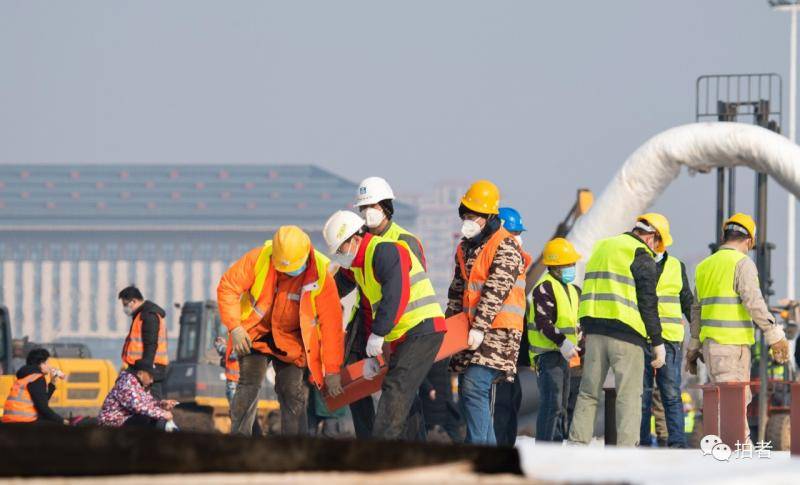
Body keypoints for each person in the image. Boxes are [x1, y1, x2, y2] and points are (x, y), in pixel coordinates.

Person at [323, 210, 445, 440]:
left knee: (395, 389)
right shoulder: (359, 267)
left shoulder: (386, 251)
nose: (339, 255)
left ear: (355, 239)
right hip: (402, 336)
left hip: (422, 328)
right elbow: (369, 308)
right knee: (405, 398)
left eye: (340, 249)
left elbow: (395, 294)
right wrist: (372, 351)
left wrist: (378, 334)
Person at [217, 225, 344, 436]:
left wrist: (332, 370)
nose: (287, 273)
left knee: (291, 392)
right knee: (248, 386)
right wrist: (235, 326)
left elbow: (331, 326)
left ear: (306, 255)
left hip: (292, 341)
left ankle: (295, 449)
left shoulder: (321, 274)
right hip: (256, 335)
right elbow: (228, 287)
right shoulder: (258, 258)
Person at [686, 213, 790, 438]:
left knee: (725, 404)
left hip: (712, 348)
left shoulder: (704, 266)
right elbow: (754, 302)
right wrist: (774, 335)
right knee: (734, 406)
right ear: (750, 240)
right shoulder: (742, 264)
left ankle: (728, 454)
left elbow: (697, 310)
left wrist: (694, 346)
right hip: (732, 347)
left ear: (725, 235)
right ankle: (739, 459)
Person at [568, 214, 668, 447]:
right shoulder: (641, 255)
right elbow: (647, 302)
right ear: (652, 237)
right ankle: (626, 451)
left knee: (588, 392)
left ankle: (576, 445)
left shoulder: (603, 246)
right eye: (658, 244)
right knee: (629, 396)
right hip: (626, 335)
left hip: (594, 332)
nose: (656, 250)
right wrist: (657, 341)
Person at [343, 176, 429, 439]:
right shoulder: (360, 241)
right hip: (366, 324)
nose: (367, 213)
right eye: (363, 208)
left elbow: (410, 289)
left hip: (398, 326)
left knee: (402, 391)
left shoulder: (405, 240)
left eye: (374, 206)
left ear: (387, 207)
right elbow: (345, 279)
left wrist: (388, 333)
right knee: (354, 386)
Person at [447, 181, 527, 445]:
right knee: (471, 389)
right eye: (466, 216)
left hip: (499, 332)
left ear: (488, 217)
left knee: (474, 385)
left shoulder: (505, 245)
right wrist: (449, 331)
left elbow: (496, 290)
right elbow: (457, 292)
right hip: (470, 332)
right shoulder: (465, 247)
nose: (467, 222)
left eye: (473, 217)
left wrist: (480, 327)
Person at [639, 217, 692, 448]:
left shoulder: (676, 266)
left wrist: (699, 335)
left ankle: (677, 443)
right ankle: (640, 441)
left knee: (670, 394)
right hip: (641, 337)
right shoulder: (637, 262)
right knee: (642, 395)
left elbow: (687, 301)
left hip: (669, 340)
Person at [528, 237, 582, 442]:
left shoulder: (571, 290)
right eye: (568, 264)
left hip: (565, 356)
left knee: (562, 405)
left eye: (572, 264)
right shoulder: (545, 287)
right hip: (548, 354)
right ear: (556, 266)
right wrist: (562, 342)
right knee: (552, 403)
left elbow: (576, 324)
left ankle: (557, 444)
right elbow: (543, 321)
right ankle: (545, 446)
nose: (572, 268)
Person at [493, 206, 530, 446]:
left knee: (511, 404)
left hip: (512, 354)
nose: (518, 238)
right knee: (499, 408)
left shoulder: (518, 267)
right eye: (514, 232)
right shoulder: (494, 262)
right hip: (494, 350)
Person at [119, 286, 169, 400]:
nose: (124, 308)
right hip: (141, 367)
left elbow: (151, 344)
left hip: (150, 368)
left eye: (125, 304)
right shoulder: (141, 315)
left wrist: (146, 371)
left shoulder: (149, 316)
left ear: (134, 301)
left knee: (152, 404)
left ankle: (164, 418)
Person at [98, 359, 178, 430]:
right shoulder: (127, 383)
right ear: (140, 373)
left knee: (153, 418)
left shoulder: (138, 383)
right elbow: (138, 406)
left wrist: (161, 404)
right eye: (150, 377)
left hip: (125, 419)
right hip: (113, 422)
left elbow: (146, 402)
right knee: (146, 418)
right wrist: (162, 413)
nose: (152, 381)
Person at [2, 348, 67, 424]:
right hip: (23, 420)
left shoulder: (26, 376)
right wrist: (62, 421)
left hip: (11, 419)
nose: (49, 366)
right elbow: (43, 408)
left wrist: (52, 382)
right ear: (41, 364)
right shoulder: (37, 378)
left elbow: (42, 400)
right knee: (57, 428)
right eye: (47, 363)